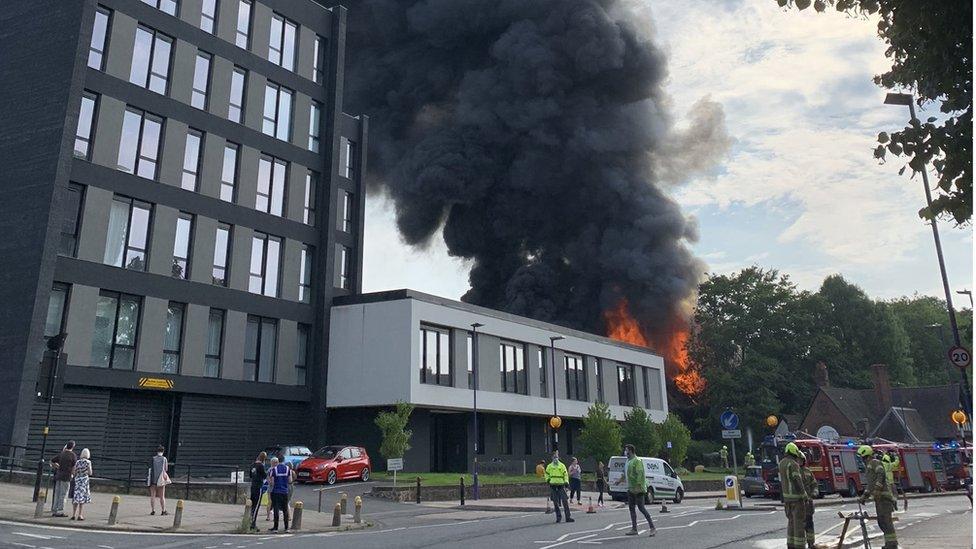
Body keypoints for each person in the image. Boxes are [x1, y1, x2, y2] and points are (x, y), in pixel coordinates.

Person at [858, 445, 898, 548]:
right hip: (879, 499)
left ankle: (892, 544)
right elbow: (870, 484)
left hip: (884, 497)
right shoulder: (869, 467)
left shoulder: (875, 462)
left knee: (886, 521)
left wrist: (877, 488)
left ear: (865, 456)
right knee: (882, 522)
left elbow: (881, 474)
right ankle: (889, 543)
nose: (862, 460)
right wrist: (864, 496)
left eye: (862, 458)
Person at [615, 444, 655, 537]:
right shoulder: (627, 461)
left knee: (641, 508)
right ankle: (634, 529)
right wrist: (619, 481)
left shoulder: (637, 461)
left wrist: (637, 486)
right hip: (630, 489)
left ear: (631, 451)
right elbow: (625, 475)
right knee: (631, 509)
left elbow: (640, 474)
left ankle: (652, 528)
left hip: (638, 489)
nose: (625, 452)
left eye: (626, 450)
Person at [779, 442, 809, 549]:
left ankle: (790, 545)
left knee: (791, 523)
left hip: (787, 500)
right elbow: (797, 480)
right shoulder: (793, 464)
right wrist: (804, 494)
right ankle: (800, 546)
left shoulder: (781, 463)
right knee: (799, 524)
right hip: (797, 499)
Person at [544, 452, 573, 523]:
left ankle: (568, 517)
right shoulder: (549, 466)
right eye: (554, 457)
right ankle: (558, 517)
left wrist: (566, 482)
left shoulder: (562, 466)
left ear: (558, 458)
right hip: (553, 485)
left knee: (565, 501)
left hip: (561, 485)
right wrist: (547, 480)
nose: (555, 459)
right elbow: (546, 474)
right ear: (552, 458)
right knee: (555, 503)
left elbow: (565, 474)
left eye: (556, 457)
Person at [50, 441, 76, 517]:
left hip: (59, 475)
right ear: (73, 446)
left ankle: (54, 509)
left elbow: (52, 461)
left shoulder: (62, 454)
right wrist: (72, 474)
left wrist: (57, 467)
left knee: (57, 494)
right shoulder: (73, 455)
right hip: (66, 476)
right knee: (63, 494)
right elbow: (74, 466)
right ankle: (60, 511)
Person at [268, 456, 292, 532]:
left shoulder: (274, 469)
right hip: (285, 492)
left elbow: (272, 482)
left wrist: (270, 481)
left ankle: (276, 528)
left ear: (278, 461)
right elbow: (290, 480)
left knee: (276, 509)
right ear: (284, 460)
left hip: (276, 491)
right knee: (285, 509)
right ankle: (286, 527)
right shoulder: (288, 469)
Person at [800, 451, 818, 549]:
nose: (799, 461)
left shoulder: (808, 471)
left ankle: (811, 543)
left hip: (808, 503)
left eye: (801, 460)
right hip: (799, 503)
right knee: (800, 526)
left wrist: (815, 492)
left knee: (809, 524)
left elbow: (814, 484)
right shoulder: (795, 471)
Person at [70, 448, 93, 521]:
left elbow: (74, 472)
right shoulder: (88, 462)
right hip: (84, 481)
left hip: (77, 480)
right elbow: (90, 473)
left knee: (76, 498)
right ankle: (80, 515)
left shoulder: (77, 462)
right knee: (82, 498)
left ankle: (73, 514)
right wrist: (85, 472)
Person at [148, 445, 169, 515]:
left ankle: (153, 510)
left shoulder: (153, 458)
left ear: (157, 451)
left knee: (152, 495)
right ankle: (163, 510)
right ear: (163, 451)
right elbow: (166, 469)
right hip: (161, 480)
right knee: (162, 496)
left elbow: (149, 468)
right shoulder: (164, 459)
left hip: (153, 480)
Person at [249, 451, 267, 530]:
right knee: (256, 506)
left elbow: (250, 475)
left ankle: (250, 521)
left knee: (252, 505)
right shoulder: (261, 466)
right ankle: (253, 524)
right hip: (258, 487)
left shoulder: (253, 465)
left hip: (253, 486)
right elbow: (264, 475)